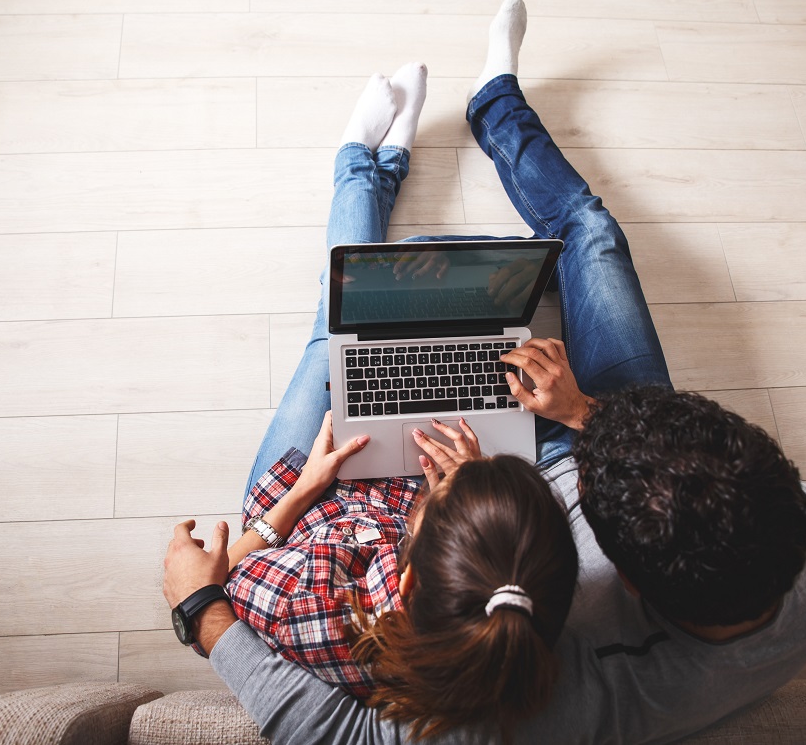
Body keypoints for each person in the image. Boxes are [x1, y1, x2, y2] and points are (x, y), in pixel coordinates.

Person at [163, 0, 806, 744]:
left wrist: (204, 615)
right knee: (591, 232)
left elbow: (337, 728)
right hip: (570, 461)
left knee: (339, 334)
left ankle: (364, 166)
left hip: (458, 519)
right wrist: (584, 411)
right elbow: (664, 457)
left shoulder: (542, 684)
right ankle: (495, 104)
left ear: (613, 575)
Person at [187, 60, 579, 739]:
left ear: (402, 583)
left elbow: (221, 577)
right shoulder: (519, 629)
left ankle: (363, 162)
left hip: (304, 504)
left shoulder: (309, 610)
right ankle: (383, 161)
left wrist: (302, 491)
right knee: (397, 325)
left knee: (333, 330)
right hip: (385, 501)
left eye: (443, 505)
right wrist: (466, 486)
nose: (445, 486)